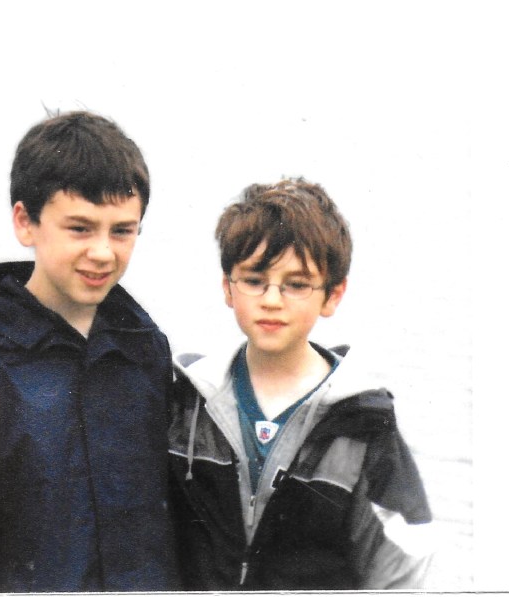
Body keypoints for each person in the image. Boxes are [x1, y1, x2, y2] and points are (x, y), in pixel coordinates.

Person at [0, 111, 180, 592]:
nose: (103, 252)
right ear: (26, 221)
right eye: (80, 229)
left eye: (122, 230)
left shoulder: (147, 350)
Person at [168, 178, 434, 590]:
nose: (272, 300)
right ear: (227, 287)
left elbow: (401, 572)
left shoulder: (363, 424)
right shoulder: (186, 402)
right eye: (254, 280)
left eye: (296, 284)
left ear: (332, 295)